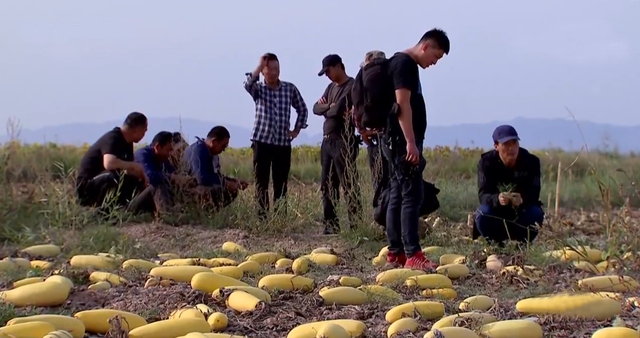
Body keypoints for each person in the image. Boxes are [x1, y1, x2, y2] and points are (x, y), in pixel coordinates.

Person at [372, 29, 450, 271]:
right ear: (425, 46)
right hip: (401, 142)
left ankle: (396, 253)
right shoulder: (405, 64)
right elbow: (402, 105)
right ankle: (412, 253)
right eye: (435, 57)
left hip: (393, 141)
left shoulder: (399, 62)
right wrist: (411, 142)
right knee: (411, 195)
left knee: (397, 194)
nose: (433, 63)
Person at [244, 53, 309, 220]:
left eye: (277, 69)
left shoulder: (289, 88)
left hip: (282, 144)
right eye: (270, 69)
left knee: (281, 184)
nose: (274, 73)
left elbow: (302, 109)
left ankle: (280, 219)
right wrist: (258, 66)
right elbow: (247, 83)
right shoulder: (258, 89)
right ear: (263, 71)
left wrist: (296, 130)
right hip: (262, 142)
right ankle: (262, 218)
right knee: (261, 183)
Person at [313, 54, 363, 234]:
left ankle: (356, 225)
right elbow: (315, 108)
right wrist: (328, 107)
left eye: (328, 71)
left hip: (344, 139)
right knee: (327, 184)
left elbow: (338, 109)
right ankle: (331, 225)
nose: (327, 75)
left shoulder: (351, 86)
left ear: (339, 66)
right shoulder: (330, 87)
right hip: (327, 141)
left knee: (349, 183)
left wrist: (329, 108)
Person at [475, 125, 544, 245]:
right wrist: (498, 198)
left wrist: (522, 199)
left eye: (514, 142)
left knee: (536, 212)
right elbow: (483, 196)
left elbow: (534, 193)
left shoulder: (531, 162)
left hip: (522, 212)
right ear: (496, 146)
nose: (511, 148)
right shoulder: (486, 163)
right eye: (506, 144)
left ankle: (523, 244)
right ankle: (495, 244)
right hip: (496, 213)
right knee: (482, 213)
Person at [75, 112, 149, 212]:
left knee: (134, 180)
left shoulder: (127, 143)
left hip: (104, 181)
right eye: (144, 131)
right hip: (88, 187)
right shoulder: (113, 138)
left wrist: (141, 175)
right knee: (113, 176)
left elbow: (126, 170)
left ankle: (128, 209)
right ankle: (102, 211)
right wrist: (135, 166)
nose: (144, 135)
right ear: (137, 129)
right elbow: (109, 163)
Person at [357, 50, 391, 219]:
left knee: (378, 180)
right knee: (393, 180)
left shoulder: (362, 75)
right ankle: (390, 218)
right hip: (391, 134)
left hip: (372, 136)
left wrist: (362, 131)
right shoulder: (391, 72)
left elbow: (355, 105)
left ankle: (379, 215)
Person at [130, 131, 194, 213]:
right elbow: (149, 176)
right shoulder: (143, 155)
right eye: (168, 150)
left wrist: (184, 180)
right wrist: (173, 177)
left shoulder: (162, 159)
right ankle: (167, 214)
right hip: (133, 200)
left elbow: (172, 173)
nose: (170, 153)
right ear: (158, 147)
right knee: (157, 184)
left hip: (147, 200)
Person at [184, 126, 248, 209]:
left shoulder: (207, 151)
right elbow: (201, 178)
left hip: (194, 187)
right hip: (188, 190)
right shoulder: (199, 150)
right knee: (225, 191)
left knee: (230, 190)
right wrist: (226, 183)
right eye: (223, 146)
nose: (223, 150)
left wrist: (233, 181)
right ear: (214, 141)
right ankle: (204, 214)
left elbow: (211, 175)